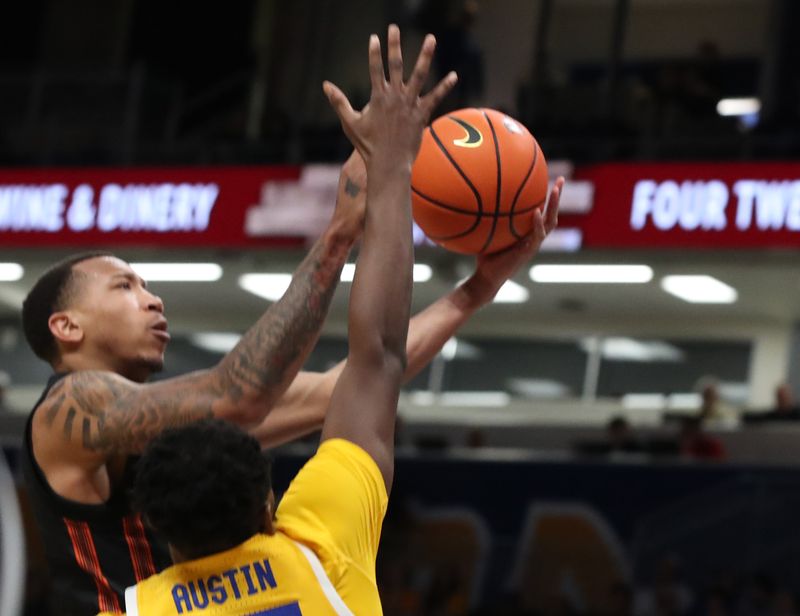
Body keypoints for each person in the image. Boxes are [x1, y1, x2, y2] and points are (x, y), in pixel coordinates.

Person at [20, 45, 563, 616]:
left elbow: (350, 384)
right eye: (124, 287)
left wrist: (475, 291)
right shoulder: (69, 408)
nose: (152, 299)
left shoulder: (175, 434)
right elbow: (254, 393)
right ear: (66, 326)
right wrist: (340, 234)